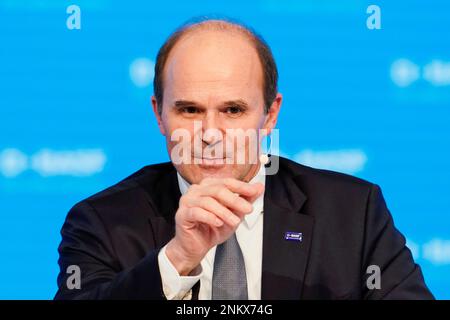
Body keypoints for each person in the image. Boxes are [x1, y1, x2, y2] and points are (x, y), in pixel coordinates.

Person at [55, 18, 434, 300]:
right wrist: (176, 259)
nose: (210, 132)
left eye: (233, 110)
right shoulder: (102, 221)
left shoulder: (353, 213)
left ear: (270, 115)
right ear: (158, 114)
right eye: (188, 110)